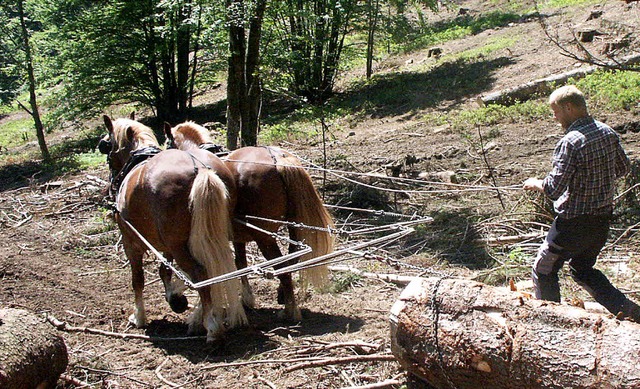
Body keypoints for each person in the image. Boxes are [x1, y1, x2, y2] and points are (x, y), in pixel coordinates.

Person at [523, 85, 640, 321]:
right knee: (582, 270)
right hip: (601, 220)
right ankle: (631, 312)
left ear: (569, 108)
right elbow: (623, 168)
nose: (554, 117)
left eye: (555, 111)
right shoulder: (607, 132)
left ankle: (550, 325)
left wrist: (535, 182)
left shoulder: (570, 142)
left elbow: (553, 189)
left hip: (572, 224)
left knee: (543, 270)